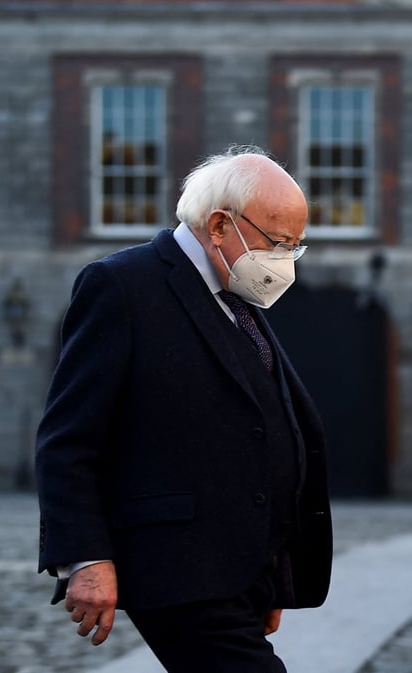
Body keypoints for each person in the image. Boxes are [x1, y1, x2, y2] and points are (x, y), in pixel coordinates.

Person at [35, 145, 333, 672]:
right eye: (278, 241)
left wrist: (273, 576)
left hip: (242, 575)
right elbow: (69, 438)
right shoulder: (123, 286)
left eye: (295, 246)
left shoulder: (237, 296)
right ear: (220, 225)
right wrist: (86, 557)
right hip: (177, 569)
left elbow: (264, 427)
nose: (285, 259)